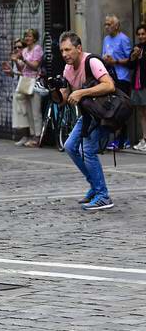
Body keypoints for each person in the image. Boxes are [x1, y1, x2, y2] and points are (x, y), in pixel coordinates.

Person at [56, 31, 117, 211]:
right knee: (70, 146)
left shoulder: (92, 62)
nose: (65, 54)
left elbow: (109, 85)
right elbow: (65, 98)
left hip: (106, 113)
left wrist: (81, 92)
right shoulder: (67, 69)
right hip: (90, 114)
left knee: (87, 149)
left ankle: (103, 196)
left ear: (79, 48)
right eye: (62, 51)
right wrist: (55, 92)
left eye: (68, 49)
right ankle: (95, 186)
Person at [102, 15, 133, 149]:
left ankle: (123, 138)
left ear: (116, 25)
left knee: (121, 108)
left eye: (109, 24)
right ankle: (114, 137)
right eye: (105, 24)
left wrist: (115, 61)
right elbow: (103, 54)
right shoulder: (106, 39)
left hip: (122, 77)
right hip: (111, 77)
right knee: (111, 108)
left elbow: (130, 59)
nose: (107, 27)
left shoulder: (124, 39)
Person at [9, 31, 43, 147]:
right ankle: (32, 135)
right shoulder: (24, 51)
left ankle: (38, 136)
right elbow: (22, 69)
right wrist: (16, 61)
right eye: (26, 36)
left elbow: (35, 66)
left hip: (35, 82)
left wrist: (23, 59)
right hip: (25, 82)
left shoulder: (37, 49)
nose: (27, 38)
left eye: (29, 36)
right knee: (28, 111)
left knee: (35, 111)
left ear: (34, 38)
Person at [129, 24, 146, 151]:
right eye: (139, 34)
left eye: (143, 34)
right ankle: (144, 138)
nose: (141, 36)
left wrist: (141, 57)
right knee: (141, 113)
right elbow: (130, 65)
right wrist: (134, 57)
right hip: (137, 84)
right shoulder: (136, 48)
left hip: (145, 83)